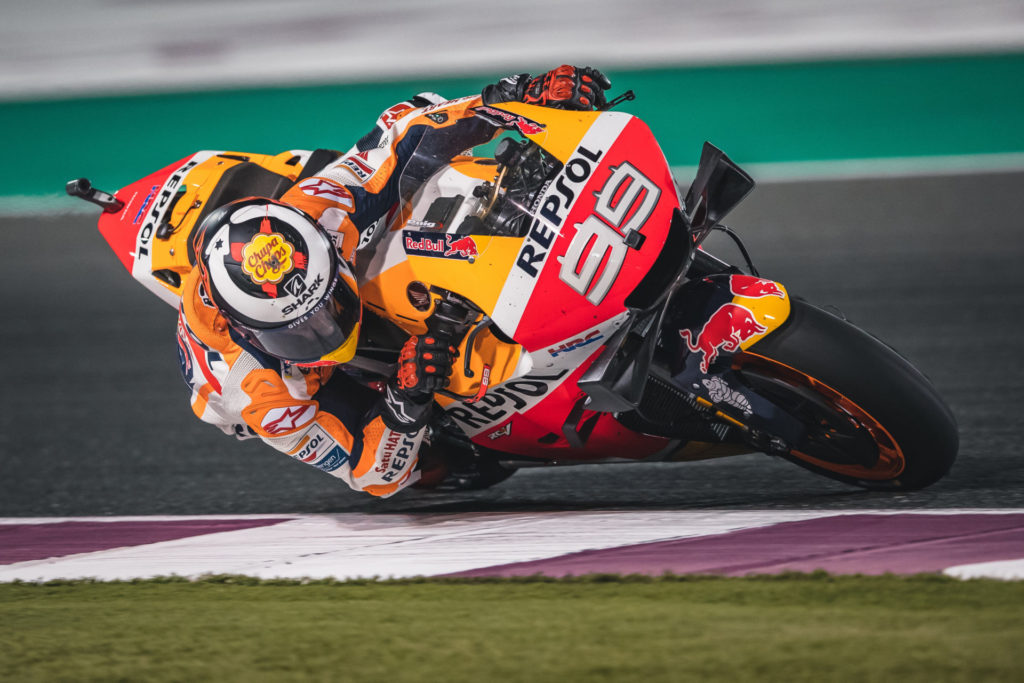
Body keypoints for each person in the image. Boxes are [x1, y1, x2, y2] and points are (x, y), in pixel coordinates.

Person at [177, 66, 612, 498]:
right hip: (281, 388)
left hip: (327, 242)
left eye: (327, 308)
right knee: (433, 466)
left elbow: (407, 130)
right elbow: (370, 476)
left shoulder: (321, 211)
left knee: (431, 181)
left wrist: (513, 97)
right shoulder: (262, 396)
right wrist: (405, 402)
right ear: (245, 329)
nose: (326, 330)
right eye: (299, 332)